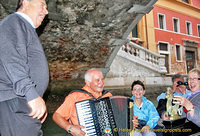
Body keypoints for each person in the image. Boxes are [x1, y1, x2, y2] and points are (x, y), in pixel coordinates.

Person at [0, 0, 49, 136]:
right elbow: (11, 58)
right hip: (14, 100)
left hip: (19, 102)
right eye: (42, 5)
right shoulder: (15, 21)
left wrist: (36, 103)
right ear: (26, 2)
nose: (46, 11)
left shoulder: (22, 26)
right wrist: (31, 95)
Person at [52, 68, 113, 136]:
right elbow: (57, 116)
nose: (101, 83)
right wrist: (70, 128)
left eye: (102, 79)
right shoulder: (75, 96)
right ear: (87, 82)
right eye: (97, 80)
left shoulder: (107, 95)